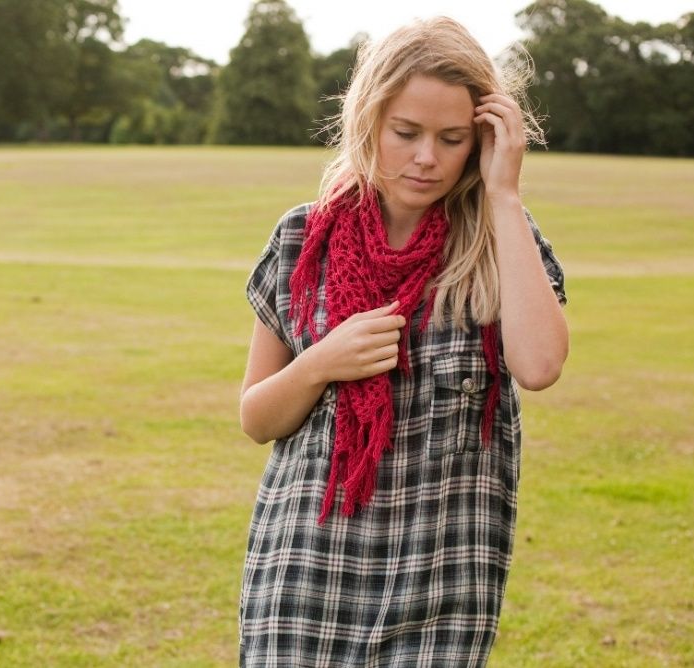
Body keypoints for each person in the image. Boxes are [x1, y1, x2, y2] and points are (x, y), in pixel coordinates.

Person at [237, 16, 569, 667]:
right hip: (305, 574)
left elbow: (540, 365)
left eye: (452, 139)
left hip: (441, 588)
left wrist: (504, 194)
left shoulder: (499, 244)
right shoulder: (304, 240)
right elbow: (255, 417)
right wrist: (320, 365)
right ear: (369, 120)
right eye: (406, 133)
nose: (426, 157)